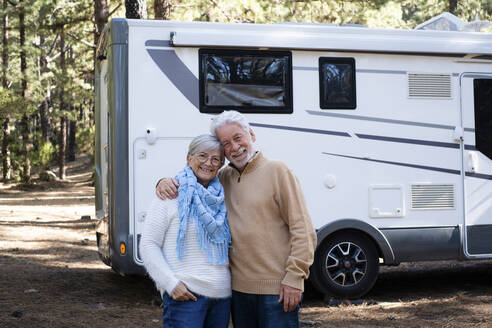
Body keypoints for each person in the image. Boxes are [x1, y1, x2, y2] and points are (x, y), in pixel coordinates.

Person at [156, 110, 317, 328]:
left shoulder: (278, 171)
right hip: (238, 292)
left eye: (238, 137)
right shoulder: (222, 178)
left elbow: (303, 229)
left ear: (251, 134)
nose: (234, 147)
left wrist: (295, 278)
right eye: (226, 143)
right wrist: (163, 182)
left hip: (277, 290)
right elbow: (191, 180)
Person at [140, 134, 231, 328]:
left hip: (221, 297)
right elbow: (148, 244)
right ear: (189, 158)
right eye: (202, 156)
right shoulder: (170, 195)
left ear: (221, 165)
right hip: (186, 296)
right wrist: (170, 284)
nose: (209, 163)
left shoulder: (222, 198)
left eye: (216, 159)